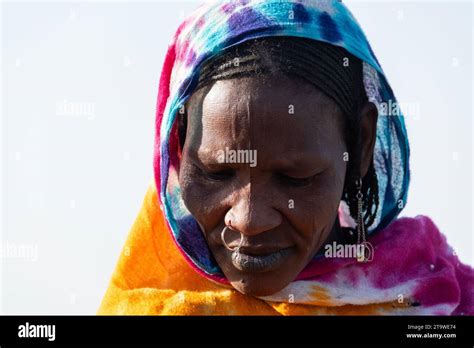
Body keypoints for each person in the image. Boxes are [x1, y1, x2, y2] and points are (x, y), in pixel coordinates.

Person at [98, 0, 473, 315]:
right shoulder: (145, 298)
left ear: (360, 145)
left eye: (295, 178)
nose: (248, 220)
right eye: (216, 172)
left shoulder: (438, 302)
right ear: (179, 150)